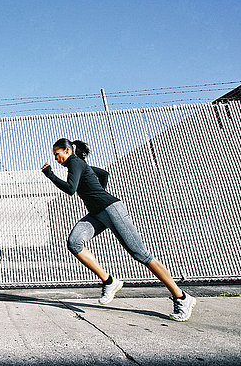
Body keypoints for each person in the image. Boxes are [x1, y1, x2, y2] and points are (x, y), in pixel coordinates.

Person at [41, 138, 195, 322]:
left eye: (57, 154)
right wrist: (99, 194)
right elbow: (103, 174)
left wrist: (50, 174)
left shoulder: (75, 162)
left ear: (67, 151)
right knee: (74, 242)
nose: (56, 159)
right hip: (97, 213)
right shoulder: (79, 165)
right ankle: (109, 281)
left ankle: (182, 297)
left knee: (141, 254)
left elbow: (70, 189)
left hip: (111, 210)